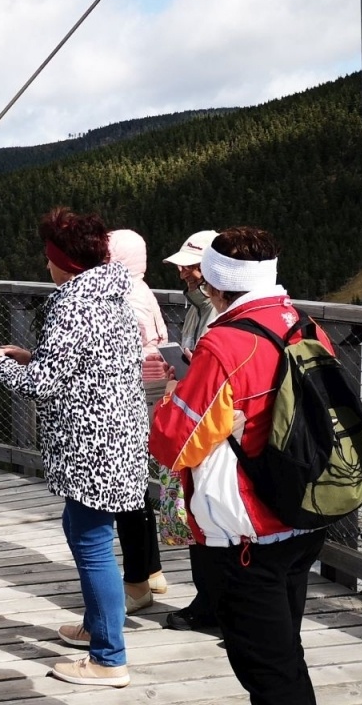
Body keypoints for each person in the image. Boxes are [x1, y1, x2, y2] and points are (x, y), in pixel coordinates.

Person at [150, 226, 326, 704]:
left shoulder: (224, 343)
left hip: (249, 530)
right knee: (286, 655)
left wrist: (175, 398)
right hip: (304, 511)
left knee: (265, 670)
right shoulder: (303, 323)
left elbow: (173, 444)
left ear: (214, 283)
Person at [0, 208, 145, 689]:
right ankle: (96, 627)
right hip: (117, 435)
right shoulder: (110, 294)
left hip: (91, 444)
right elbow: (86, 362)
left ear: (61, 261)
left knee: (92, 543)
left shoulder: (72, 304)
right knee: (81, 528)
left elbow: (45, 385)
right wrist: (30, 355)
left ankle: (109, 658)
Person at [158, 228, 222, 632]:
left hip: (210, 425)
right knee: (199, 513)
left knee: (209, 514)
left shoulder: (216, 310)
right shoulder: (199, 307)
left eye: (190, 267)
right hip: (193, 417)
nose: (183, 275)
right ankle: (210, 601)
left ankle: (214, 604)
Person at [105, 229, 172, 614]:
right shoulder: (142, 288)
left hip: (133, 393)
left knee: (128, 489)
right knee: (139, 485)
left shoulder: (123, 296)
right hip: (153, 388)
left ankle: (138, 581)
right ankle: (152, 569)